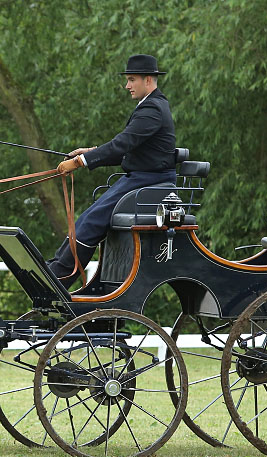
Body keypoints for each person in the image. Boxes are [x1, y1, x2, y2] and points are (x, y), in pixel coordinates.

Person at [47, 54, 176, 286]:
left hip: (148, 182)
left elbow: (122, 143)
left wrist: (80, 162)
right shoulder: (150, 106)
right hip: (140, 178)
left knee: (93, 220)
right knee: (86, 218)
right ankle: (56, 269)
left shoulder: (152, 109)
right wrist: (88, 153)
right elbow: (124, 151)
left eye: (132, 79)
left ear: (148, 80)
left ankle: (59, 278)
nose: (127, 85)